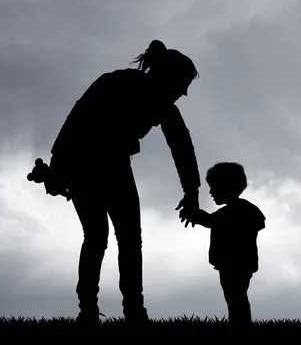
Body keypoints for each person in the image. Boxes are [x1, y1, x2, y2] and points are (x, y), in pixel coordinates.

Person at [43, 40, 202, 325]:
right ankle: (120, 312)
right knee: (117, 240)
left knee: (102, 238)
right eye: (182, 85)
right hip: (94, 166)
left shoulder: (147, 97)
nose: (184, 93)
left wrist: (192, 190)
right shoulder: (121, 85)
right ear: (169, 78)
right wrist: (58, 166)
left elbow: (181, 146)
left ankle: (106, 312)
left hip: (100, 167)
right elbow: (76, 120)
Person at [179, 162, 266, 329]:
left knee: (235, 295)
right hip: (236, 262)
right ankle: (239, 324)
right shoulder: (242, 210)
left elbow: (212, 221)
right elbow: (212, 221)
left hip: (235, 262)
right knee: (235, 295)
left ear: (227, 186)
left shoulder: (237, 211)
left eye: (214, 187)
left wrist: (197, 215)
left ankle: (240, 325)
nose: (211, 192)